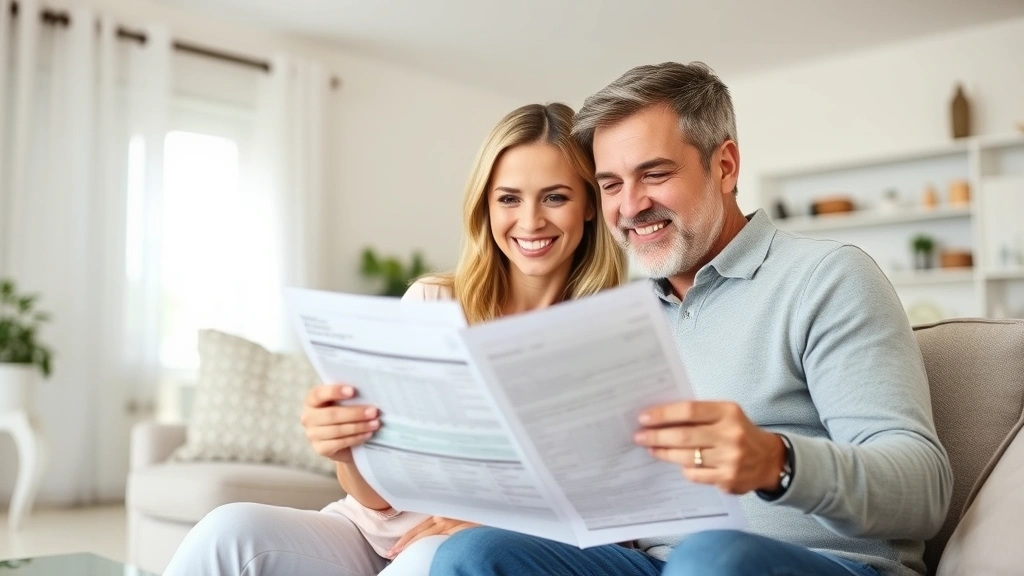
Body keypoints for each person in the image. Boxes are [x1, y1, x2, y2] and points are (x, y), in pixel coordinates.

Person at [429, 62, 953, 576]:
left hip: (820, 564)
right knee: (472, 554)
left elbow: (924, 492)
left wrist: (778, 462)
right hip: (655, 565)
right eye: (610, 185)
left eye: (654, 174)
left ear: (724, 166)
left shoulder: (826, 278)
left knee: (709, 557)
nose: (631, 206)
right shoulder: (619, 317)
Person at [161, 102, 626, 576]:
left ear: (590, 203)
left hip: (475, 553)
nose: (530, 221)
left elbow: (618, 516)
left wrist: (489, 525)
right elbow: (377, 499)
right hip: (365, 534)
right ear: (485, 205)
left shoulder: (609, 338)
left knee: (433, 557)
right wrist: (347, 451)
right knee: (228, 529)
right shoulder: (432, 303)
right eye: (509, 198)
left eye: (555, 197)